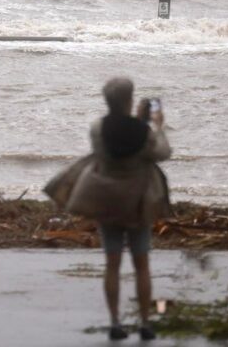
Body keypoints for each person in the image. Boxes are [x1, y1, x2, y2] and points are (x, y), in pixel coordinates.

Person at [44, 77, 172, 341]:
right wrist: (156, 126)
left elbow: (107, 149)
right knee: (141, 264)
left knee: (112, 264)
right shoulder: (143, 133)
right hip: (137, 205)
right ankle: (145, 323)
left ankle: (115, 322)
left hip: (107, 202)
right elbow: (162, 153)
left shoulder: (97, 129)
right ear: (129, 100)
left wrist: (136, 121)